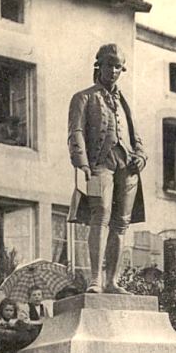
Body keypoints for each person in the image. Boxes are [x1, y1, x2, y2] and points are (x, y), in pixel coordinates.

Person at [67, 43, 147, 294]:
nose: (113, 70)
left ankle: (112, 281)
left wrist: (141, 157)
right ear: (98, 65)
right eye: (108, 64)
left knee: (121, 223)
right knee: (99, 215)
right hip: (98, 166)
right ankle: (95, 280)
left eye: (118, 66)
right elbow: (75, 131)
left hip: (127, 168)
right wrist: (82, 163)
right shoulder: (83, 97)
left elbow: (137, 138)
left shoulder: (125, 103)